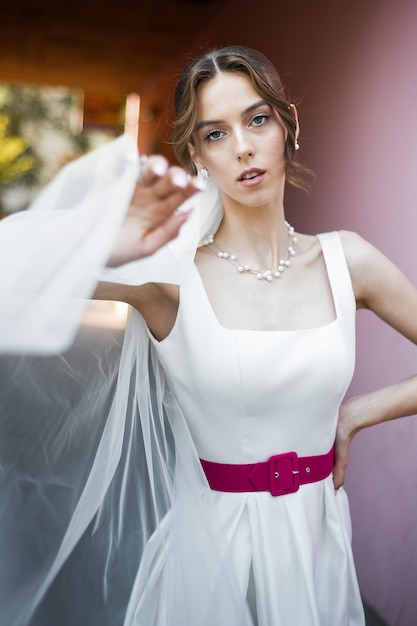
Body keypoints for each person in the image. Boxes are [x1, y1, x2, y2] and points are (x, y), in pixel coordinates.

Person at [1, 45, 417, 626]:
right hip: (213, 561)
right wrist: (104, 244)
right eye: (215, 134)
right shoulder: (169, 277)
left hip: (319, 545)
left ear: (289, 124)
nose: (243, 146)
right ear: (196, 155)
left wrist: (357, 413)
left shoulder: (350, 261)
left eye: (257, 119)